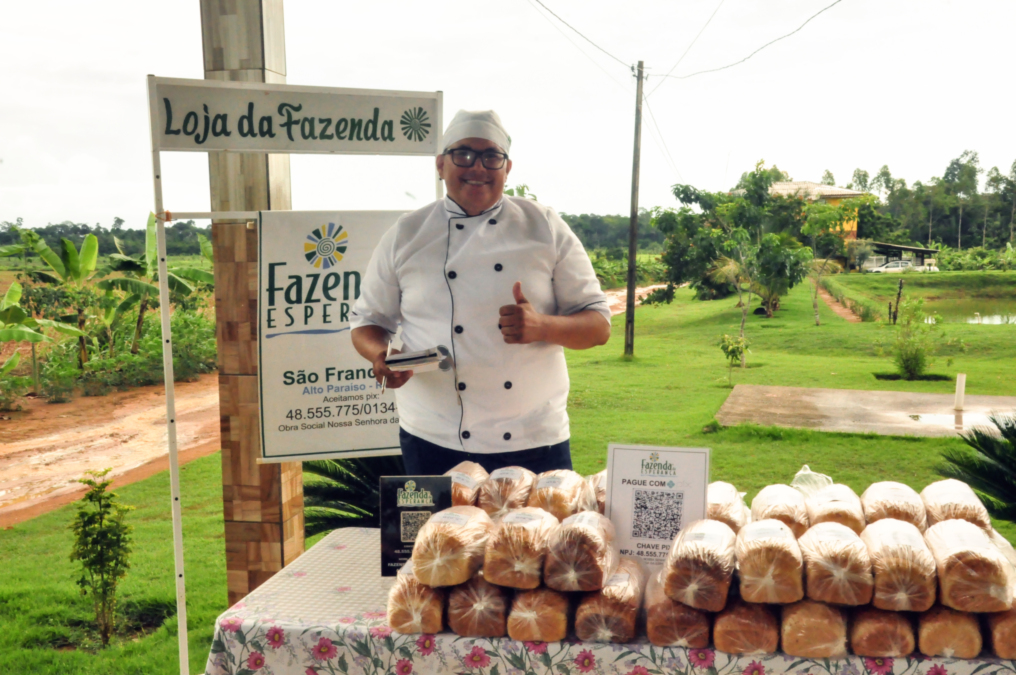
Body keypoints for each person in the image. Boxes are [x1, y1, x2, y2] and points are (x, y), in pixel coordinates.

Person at [350, 109, 610, 475]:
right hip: (432, 436)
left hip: (534, 438)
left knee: (539, 518)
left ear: (507, 168)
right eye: (463, 154)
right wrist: (381, 355)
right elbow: (367, 321)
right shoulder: (407, 234)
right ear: (440, 165)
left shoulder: (544, 226)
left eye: (491, 156)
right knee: (439, 518)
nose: (477, 166)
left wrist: (543, 326)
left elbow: (599, 327)